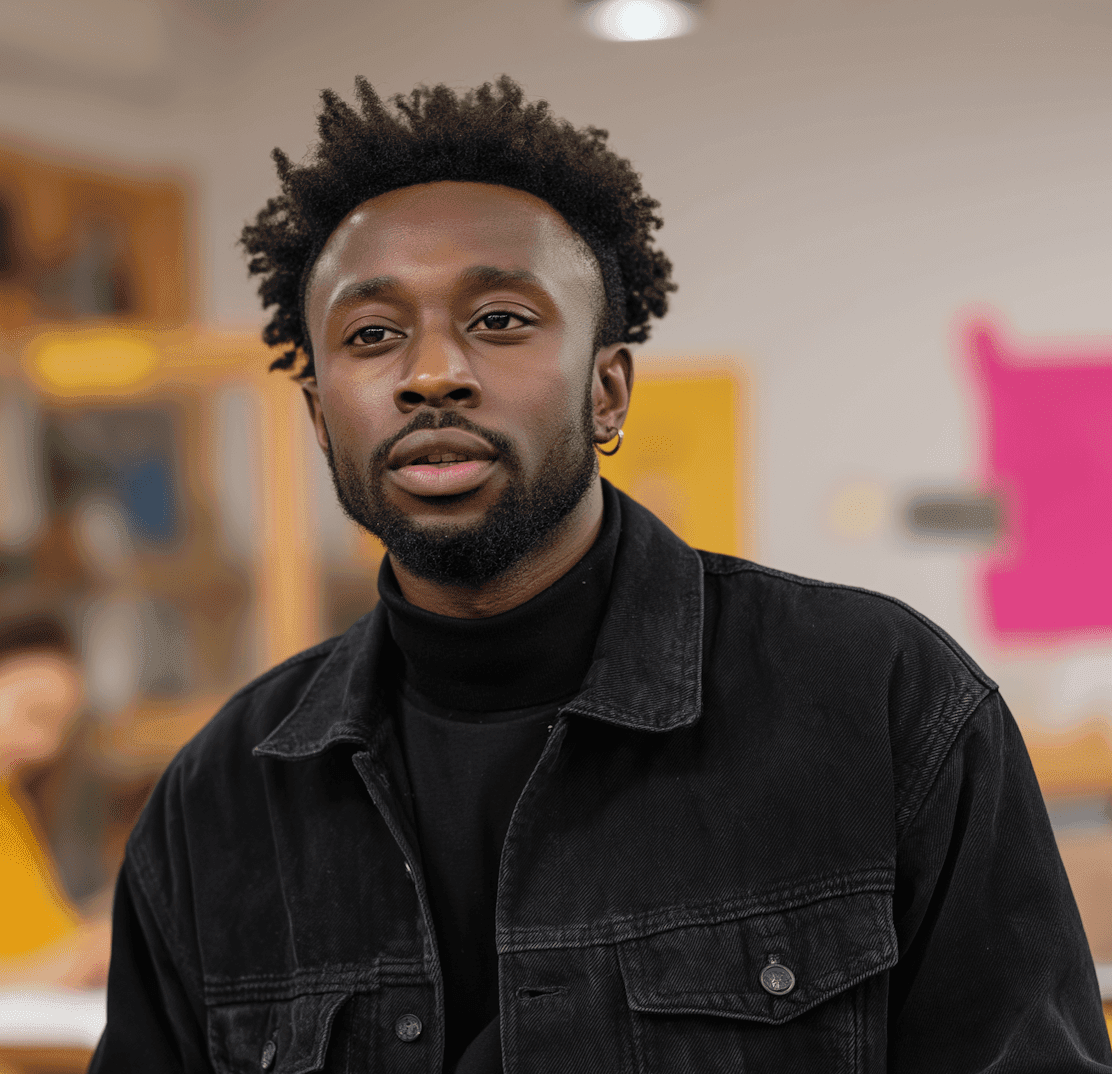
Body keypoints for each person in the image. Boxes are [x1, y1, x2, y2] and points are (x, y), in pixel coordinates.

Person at [91, 77, 1111, 1072]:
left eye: (498, 320)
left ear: (607, 389)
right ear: (319, 418)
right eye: (371, 335)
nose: (430, 371)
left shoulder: (884, 706)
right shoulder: (218, 801)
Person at [0, 616, 111, 989]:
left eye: (61, 728)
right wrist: (77, 963)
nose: (46, 747)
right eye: (36, 714)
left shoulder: (11, 803)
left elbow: (46, 938)